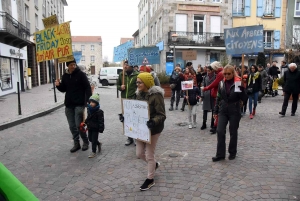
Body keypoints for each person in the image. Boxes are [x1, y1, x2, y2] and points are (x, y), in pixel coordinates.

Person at [135, 72, 166, 191]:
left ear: (147, 83)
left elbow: (161, 115)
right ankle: (155, 165)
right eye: (137, 82)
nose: (137, 84)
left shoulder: (156, 96)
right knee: (139, 154)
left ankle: (150, 179)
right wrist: (125, 117)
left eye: (140, 82)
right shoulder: (138, 94)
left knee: (149, 155)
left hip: (153, 129)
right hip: (140, 129)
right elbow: (135, 109)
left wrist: (153, 122)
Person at [55, 59, 92, 153]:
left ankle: (85, 142)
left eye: (74, 64)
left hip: (79, 104)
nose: (73, 66)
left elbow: (87, 87)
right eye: (71, 65)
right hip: (69, 104)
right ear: (67, 66)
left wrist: (88, 100)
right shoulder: (65, 76)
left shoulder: (81, 75)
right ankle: (76, 143)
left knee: (78, 125)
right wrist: (58, 85)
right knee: (72, 126)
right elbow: (63, 89)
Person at [212, 65, 247, 162]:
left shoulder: (237, 83)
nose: (226, 76)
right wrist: (215, 111)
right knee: (220, 130)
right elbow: (218, 97)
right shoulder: (221, 83)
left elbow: (244, 98)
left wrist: (242, 88)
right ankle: (220, 154)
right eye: (225, 74)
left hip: (234, 109)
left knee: (233, 131)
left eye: (228, 74)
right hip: (223, 109)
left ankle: (232, 152)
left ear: (233, 73)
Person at [117, 61, 139, 146]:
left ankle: (137, 137)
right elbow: (117, 85)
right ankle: (129, 138)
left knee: (135, 120)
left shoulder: (137, 75)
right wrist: (120, 87)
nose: (125, 66)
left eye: (127, 65)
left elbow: (140, 86)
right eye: (124, 65)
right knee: (127, 120)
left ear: (132, 65)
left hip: (134, 100)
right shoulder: (121, 74)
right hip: (124, 101)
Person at [201, 61, 224, 134]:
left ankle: (214, 125)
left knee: (215, 110)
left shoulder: (219, 74)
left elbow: (215, 84)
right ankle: (207, 124)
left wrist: (205, 88)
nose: (208, 71)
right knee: (208, 110)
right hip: (209, 94)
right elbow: (203, 84)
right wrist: (203, 93)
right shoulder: (206, 77)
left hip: (216, 94)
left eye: (210, 70)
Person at [85, 93, 104, 158]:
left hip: (96, 128)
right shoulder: (89, 109)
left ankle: (93, 152)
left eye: (93, 102)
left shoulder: (99, 112)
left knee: (93, 140)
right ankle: (98, 143)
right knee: (90, 139)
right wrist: (85, 122)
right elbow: (88, 117)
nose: (91, 103)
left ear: (96, 103)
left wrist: (101, 128)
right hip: (90, 127)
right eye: (90, 102)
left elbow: (101, 121)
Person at [201, 66, 216, 131]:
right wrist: (202, 95)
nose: (208, 72)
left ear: (212, 70)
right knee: (205, 110)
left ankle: (212, 123)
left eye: (209, 71)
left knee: (213, 110)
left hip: (213, 94)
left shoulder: (215, 77)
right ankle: (204, 123)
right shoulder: (205, 77)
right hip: (206, 94)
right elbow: (203, 86)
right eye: (207, 71)